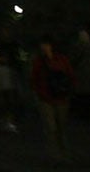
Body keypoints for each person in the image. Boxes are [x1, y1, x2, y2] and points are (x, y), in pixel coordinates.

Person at [29, 37, 74, 165]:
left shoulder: (61, 59)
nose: (44, 47)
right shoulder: (39, 61)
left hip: (60, 97)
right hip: (47, 98)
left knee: (60, 127)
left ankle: (64, 154)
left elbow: (70, 76)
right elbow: (34, 79)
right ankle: (56, 156)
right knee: (51, 127)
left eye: (46, 45)